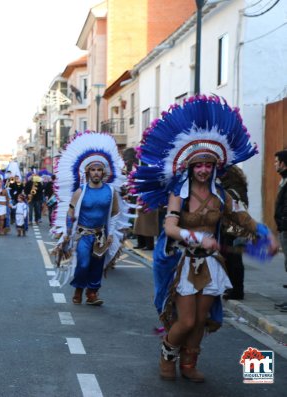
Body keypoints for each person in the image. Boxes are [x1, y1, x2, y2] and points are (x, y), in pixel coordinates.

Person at [131, 95, 278, 383]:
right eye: (198, 164)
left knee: (200, 320)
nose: (203, 169)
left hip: (211, 265)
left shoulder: (222, 195)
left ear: (215, 167)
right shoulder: (179, 193)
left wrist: (267, 237)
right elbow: (171, 227)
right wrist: (194, 235)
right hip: (184, 263)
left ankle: (189, 362)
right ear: (189, 166)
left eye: (208, 165)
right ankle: (167, 355)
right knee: (185, 320)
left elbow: (245, 221)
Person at [51, 132, 130, 306]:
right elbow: (70, 214)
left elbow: (115, 213)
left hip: (101, 234)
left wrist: (111, 234)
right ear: (88, 172)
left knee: (97, 265)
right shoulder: (80, 191)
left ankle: (92, 293)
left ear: (103, 172)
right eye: (93, 169)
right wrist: (67, 234)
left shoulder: (110, 191)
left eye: (99, 169)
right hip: (83, 235)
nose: (96, 173)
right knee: (84, 263)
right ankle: (79, 288)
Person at [218, 165, 249, 300]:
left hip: (232, 229)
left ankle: (237, 291)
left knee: (234, 261)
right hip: (233, 229)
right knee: (231, 260)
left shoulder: (232, 190)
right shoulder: (236, 187)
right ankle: (234, 289)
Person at [274, 150, 287, 300]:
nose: (275, 165)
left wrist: (283, 223)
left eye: (277, 162)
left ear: (283, 164)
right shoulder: (283, 180)